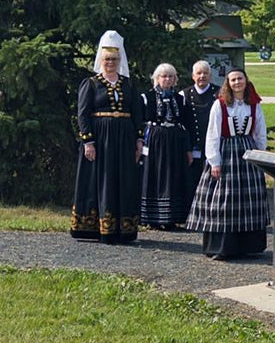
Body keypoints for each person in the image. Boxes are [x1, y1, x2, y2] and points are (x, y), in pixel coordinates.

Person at [186, 67, 270, 259]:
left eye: (240, 79)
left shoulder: (254, 105)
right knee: (224, 200)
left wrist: (260, 156)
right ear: (228, 84)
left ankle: (249, 246)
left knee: (249, 200)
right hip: (226, 153)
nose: (237, 82)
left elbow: (260, 133)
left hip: (248, 152)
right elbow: (213, 134)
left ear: (246, 81)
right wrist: (214, 161)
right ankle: (222, 247)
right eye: (233, 80)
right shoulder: (220, 105)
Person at [71, 30, 144, 244]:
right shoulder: (91, 84)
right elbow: (83, 114)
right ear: (101, 60)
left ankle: (123, 229)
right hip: (101, 139)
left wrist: (139, 141)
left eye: (113, 59)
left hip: (124, 139)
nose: (110, 62)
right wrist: (88, 141)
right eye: (106, 59)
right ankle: (97, 228)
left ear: (119, 60)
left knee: (123, 179)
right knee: (101, 179)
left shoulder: (129, 84)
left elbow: (138, 114)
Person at [139, 63, 196, 230]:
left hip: (176, 141)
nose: (167, 79)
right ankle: (153, 218)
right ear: (157, 79)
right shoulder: (147, 97)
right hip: (156, 140)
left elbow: (186, 125)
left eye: (171, 76)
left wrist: (188, 149)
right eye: (164, 76)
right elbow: (141, 122)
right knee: (155, 175)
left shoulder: (180, 99)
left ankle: (172, 217)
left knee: (174, 175)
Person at [182, 60, 216, 209]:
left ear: (210, 75)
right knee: (192, 180)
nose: (202, 76)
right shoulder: (184, 94)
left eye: (205, 73)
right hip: (192, 145)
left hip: (213, 144)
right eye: (199, 73)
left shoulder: (219, 93)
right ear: (193, 76)